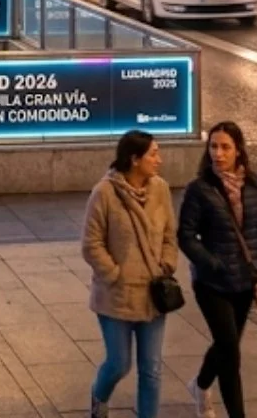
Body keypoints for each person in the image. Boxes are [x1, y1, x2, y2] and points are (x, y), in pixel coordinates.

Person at [178, 121, 257, 418]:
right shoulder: (200, 189)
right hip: (212, 283)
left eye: (225, 147)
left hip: (245, 281)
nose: (218, 154)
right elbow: (185, 234)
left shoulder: (255, 185)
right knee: (231, 353)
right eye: (213, 147)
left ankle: (201, 383)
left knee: (225, 345)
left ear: (238, 151)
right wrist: (210, 261)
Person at [81, 130, 177, 418]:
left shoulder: (160, 189)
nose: (159, 160)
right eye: (153, 154)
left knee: (152, 369)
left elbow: (170, 234)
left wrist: (167, 263)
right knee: (119, 363)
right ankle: (100, 395)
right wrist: (113, 273)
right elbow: (91, 243)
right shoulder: (105, 193)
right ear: (135, 159)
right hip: (117, 296)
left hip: (153, 294)